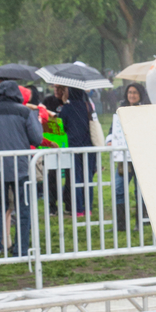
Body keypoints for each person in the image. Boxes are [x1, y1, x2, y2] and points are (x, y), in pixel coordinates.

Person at [0, 80, 43, 257]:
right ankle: (21, 249)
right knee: (23, 208)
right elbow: (37, 139)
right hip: (20, 167)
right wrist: (37, 121)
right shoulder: (24, 112)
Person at [60, 87, 98, 216]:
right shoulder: (88, 106)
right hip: (89, 147)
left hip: (73, 147)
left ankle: (78, 209)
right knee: (88, 178)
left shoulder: (66, 108)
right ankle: (89, 208)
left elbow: (62, 126)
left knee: (76, 179)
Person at [113, 84, 150, 210]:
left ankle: (141, 220)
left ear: (140, 95)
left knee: (140, 190)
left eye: (135, 92)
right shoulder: (121, 110)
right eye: (130, 92)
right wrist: (110, 139)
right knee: (119, 188)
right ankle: (121, 222)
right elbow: (113, 129)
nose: (132, 95)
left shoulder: (145, 110)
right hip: (124, 157)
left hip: (140, 157)